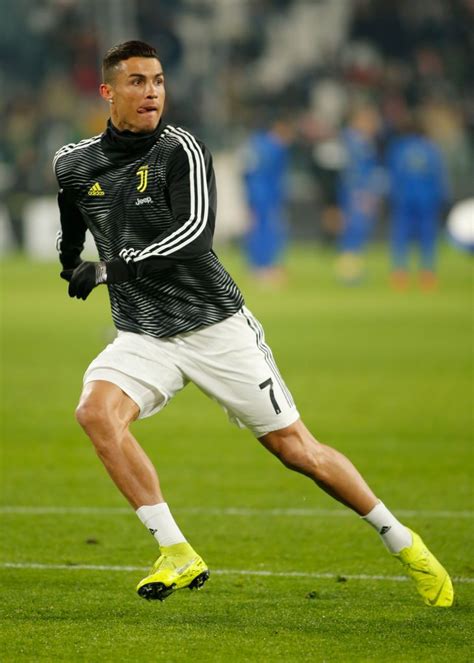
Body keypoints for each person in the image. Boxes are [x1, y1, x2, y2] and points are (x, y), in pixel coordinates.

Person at [54, 41, 453, 607]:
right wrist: (71, 261)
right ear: (108, 91)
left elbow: (195, 235)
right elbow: (73, 220)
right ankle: (175, 551)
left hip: (214, 327)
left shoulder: (180, 149)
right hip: (144, 333)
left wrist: (108, 269)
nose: (152, 93)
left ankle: (402, 539)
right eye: (138, 82)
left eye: (159, 81)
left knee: (298, 451)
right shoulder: (73, 161)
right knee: (95, 413)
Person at [386, 112, 449, 290]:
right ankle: (427, 274)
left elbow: (394, 175)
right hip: (427, 199)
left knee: (401, 235)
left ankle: (399, 274)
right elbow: (439, 176)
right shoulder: (431, 149)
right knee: (427, 236)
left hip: (404, 198)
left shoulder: (398, 148)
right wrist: (444, 198)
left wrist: (391, 197)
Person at [241, 117, 293, 285]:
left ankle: (256, 267)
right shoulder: (275, 147)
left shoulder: (254, 143)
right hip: (267, 196)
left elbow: (246, 171)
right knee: (268, 230)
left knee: (256, 229)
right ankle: (265, 268)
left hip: (254, 194)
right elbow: (275, 176)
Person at [336, 104, 383, 283]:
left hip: (360, 190)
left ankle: (352, 267)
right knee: (355, 228)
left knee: (359, 229)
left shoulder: (361, 140)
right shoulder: (353, 141)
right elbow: (353, 170)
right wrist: (362, 191)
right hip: (356, 191)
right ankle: (348, 271)